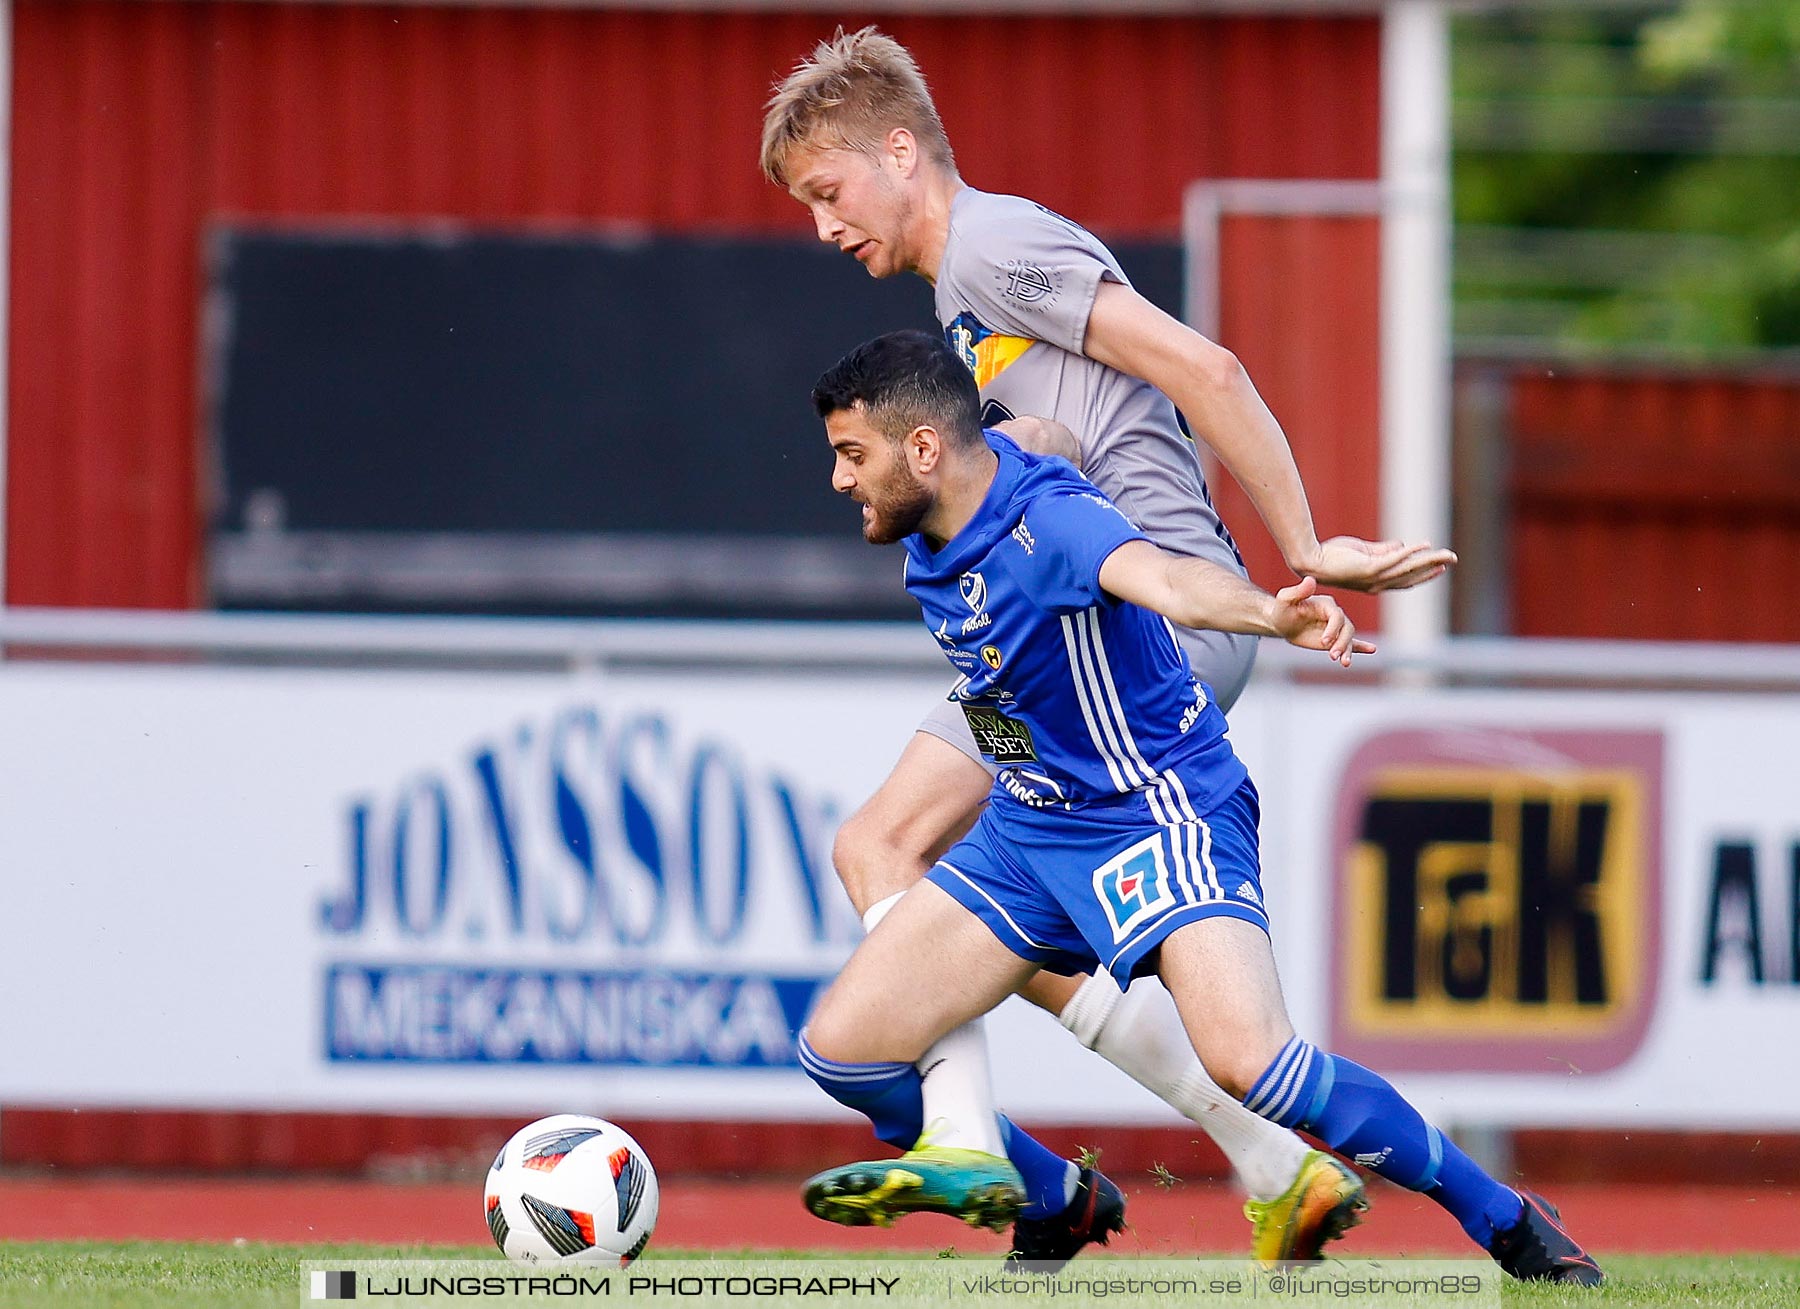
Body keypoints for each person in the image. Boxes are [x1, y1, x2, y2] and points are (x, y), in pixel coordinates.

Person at [761, 27, 1455, 1265]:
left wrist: (1307, 548)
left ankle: (994, 1146)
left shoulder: (991, 245)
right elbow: (1065, 443)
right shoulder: (959, 289)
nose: (823, 226)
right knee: (922, 875)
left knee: (894, 847)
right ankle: (1260, 1162)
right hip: (1065, 643)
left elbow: (1205, 366)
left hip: (1139, 637)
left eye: (828, 190)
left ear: (901, 151)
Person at [799, 330, 1603, 1286]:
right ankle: (1057, 1198)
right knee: (845, 1056)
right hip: (1031, 830)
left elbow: (1167, 577)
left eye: (855, 455)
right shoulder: (945, 505)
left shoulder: (1048, 524)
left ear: (924, 448)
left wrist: (1272, 610)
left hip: (1157, 809)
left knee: (1254, 1064)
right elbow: (1034, 458)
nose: (843, 480)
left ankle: (1506, 1218)